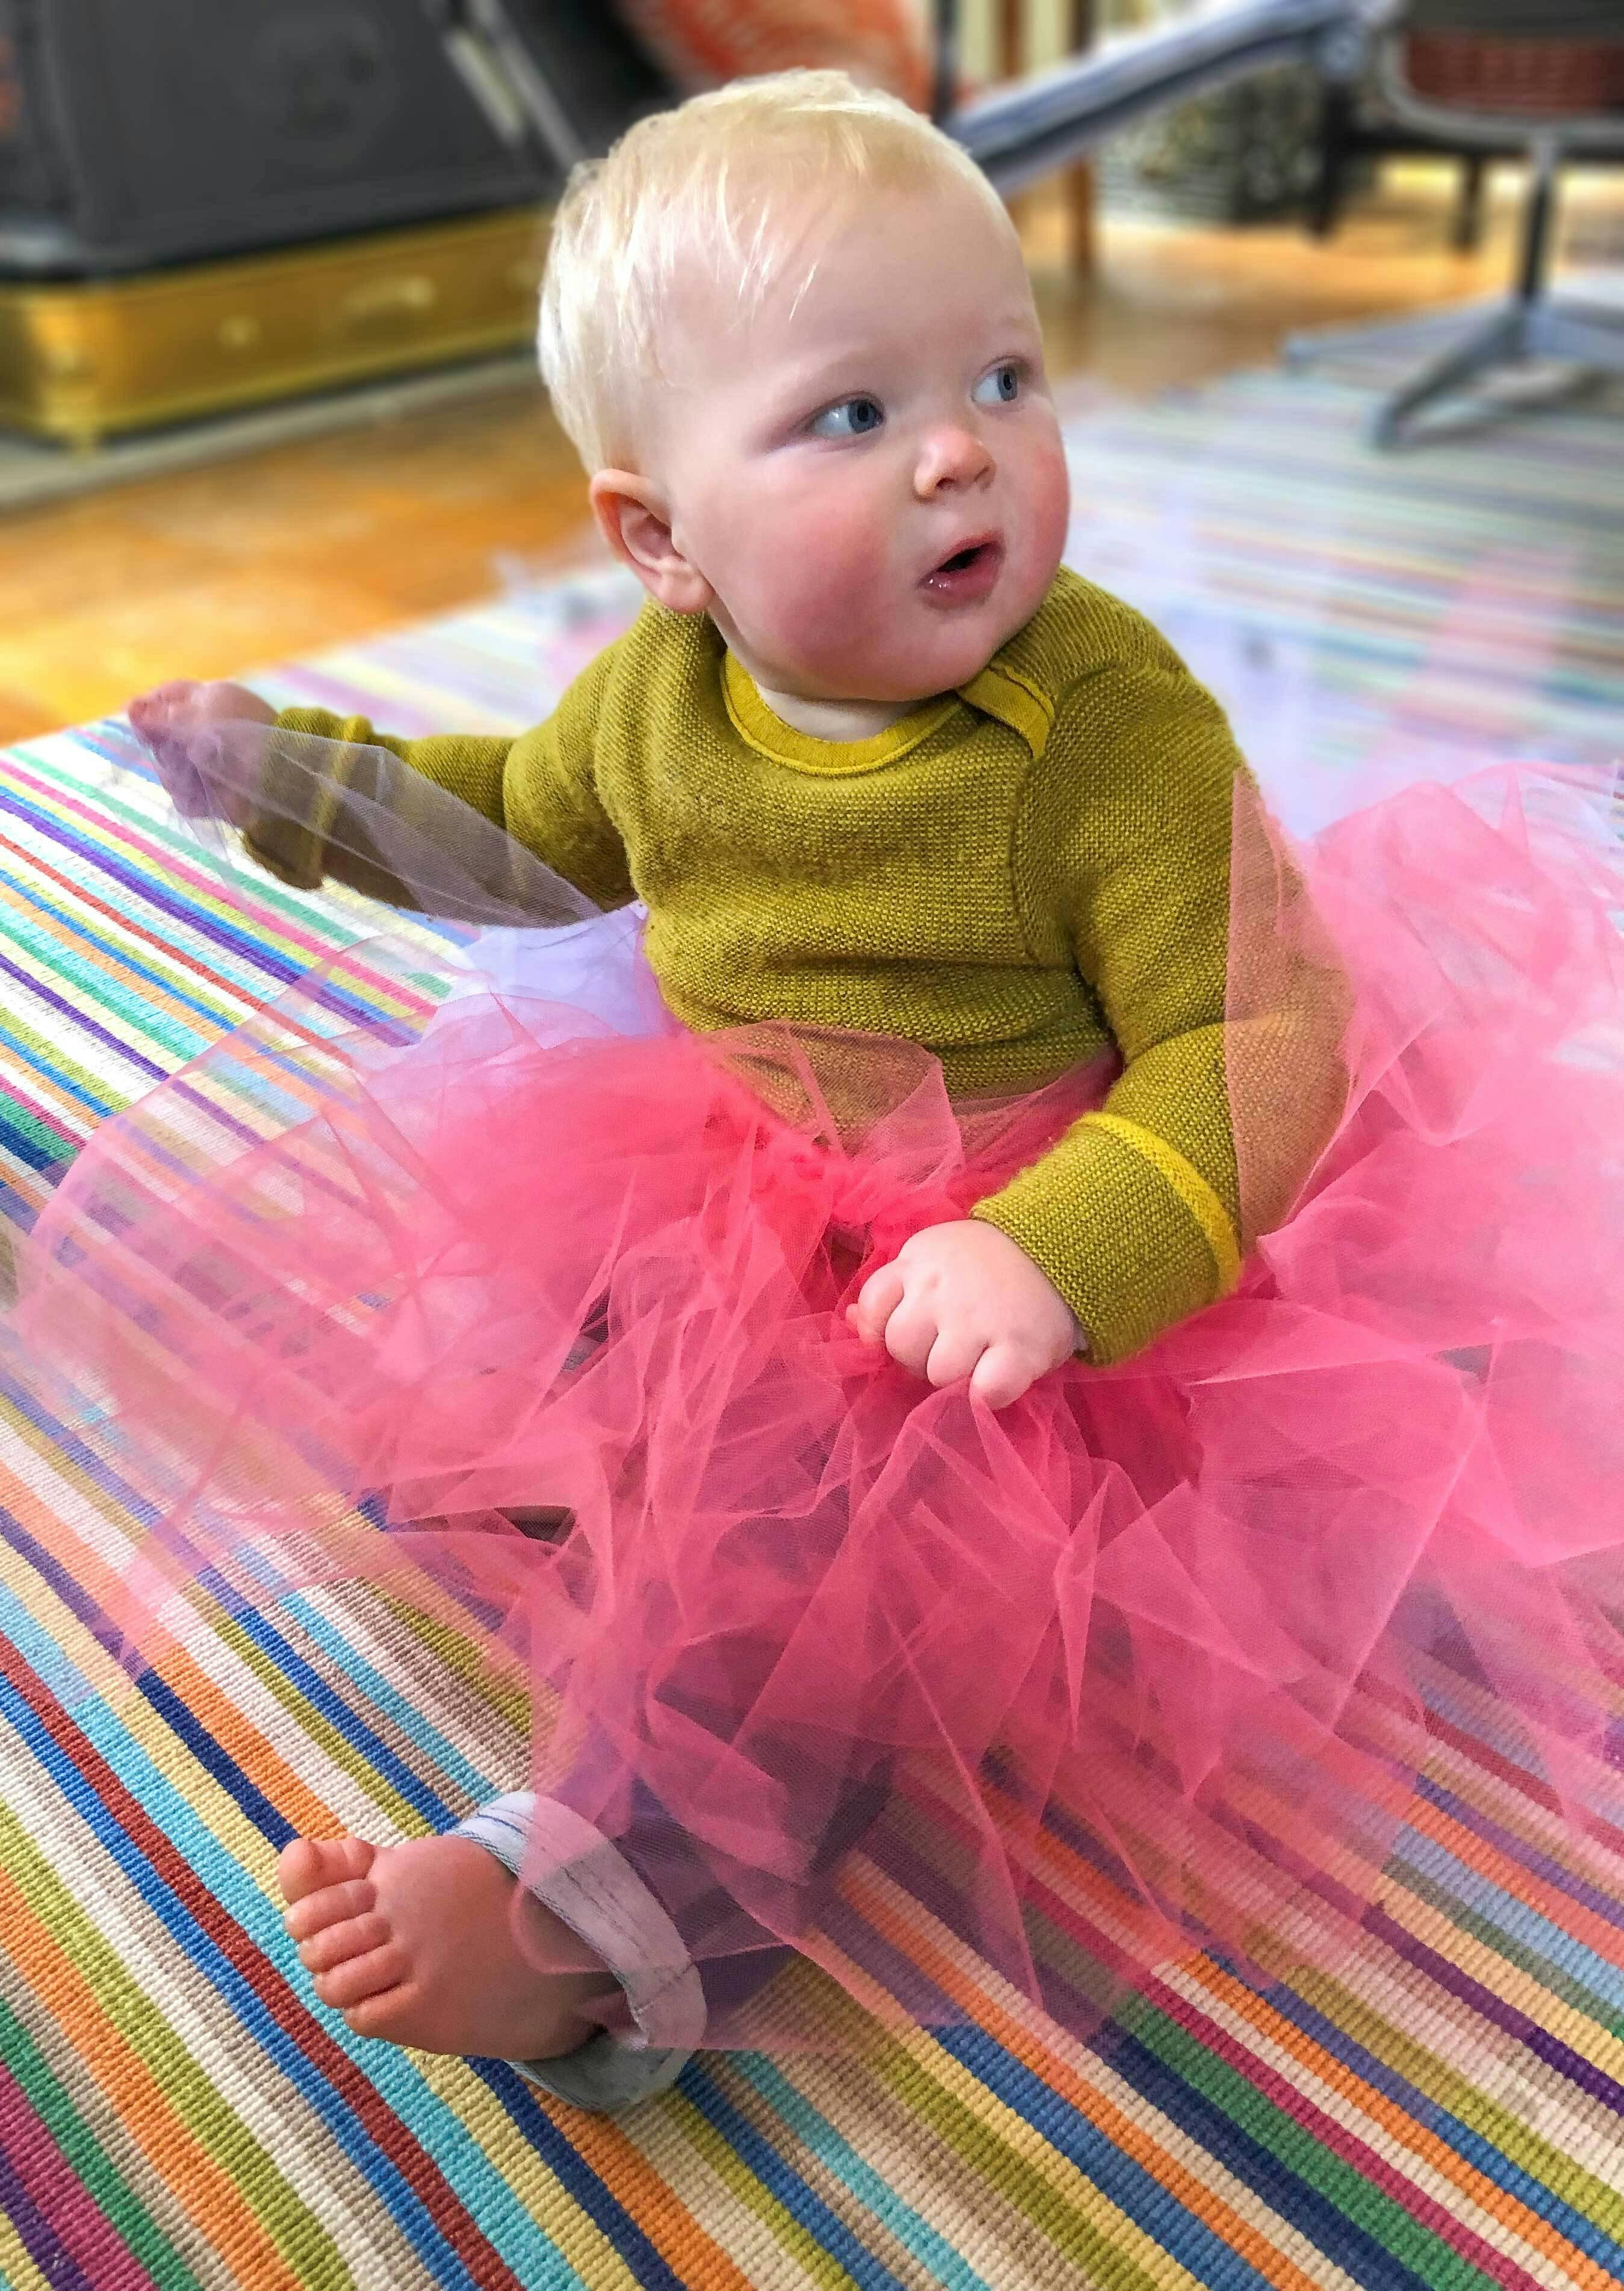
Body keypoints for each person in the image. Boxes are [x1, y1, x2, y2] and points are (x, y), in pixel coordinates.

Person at [22, 72, 1623, 2116]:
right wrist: (301, 783)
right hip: (747, 1182)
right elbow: (526, 834)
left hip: (1054, 1256)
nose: (962, 448)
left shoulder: (1101, 731)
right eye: (851, 415)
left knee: (789, 1602)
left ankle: (594, 1923)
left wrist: (1059, 1255)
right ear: (659, 541)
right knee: (587, 1403)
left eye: (1004, 375)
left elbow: (1262, 1033)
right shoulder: (654, 699)